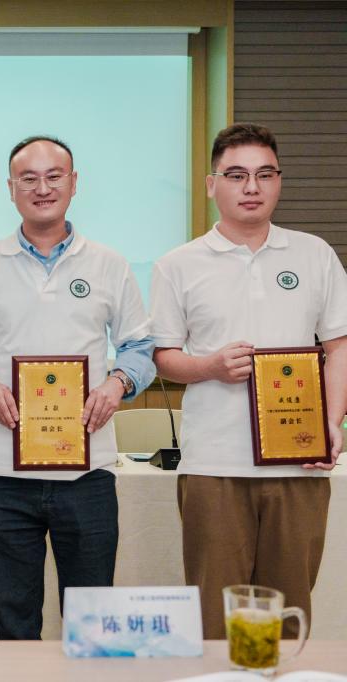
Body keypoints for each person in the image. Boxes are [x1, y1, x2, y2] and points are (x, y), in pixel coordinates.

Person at [0, 135, 155, 639]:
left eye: (54, 176)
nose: (42, 188)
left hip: (87, 474)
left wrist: (117, 384)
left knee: (92, 627)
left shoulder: (108, 263)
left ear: (74, 183)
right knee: (13, 625)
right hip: (2, 476)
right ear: (10, 188)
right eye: (29, 178)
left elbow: (139, 346)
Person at [151, 122, 347, 639]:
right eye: (236, 175)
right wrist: (209, 367)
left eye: (265, 174)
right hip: (214, 463)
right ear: (211, 184)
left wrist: (331, 422)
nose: (252, 187)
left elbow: (339, 347)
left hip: (299, 462)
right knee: (217, 619)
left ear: (279, 181)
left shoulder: (314, 254)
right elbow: (163, 357)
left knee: (287, 612)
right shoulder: (177, 264)